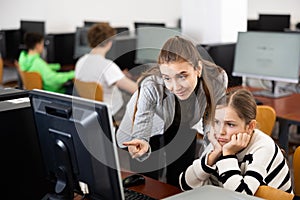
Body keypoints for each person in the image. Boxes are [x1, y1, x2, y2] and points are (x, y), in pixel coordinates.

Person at [116, 36, 228, 187]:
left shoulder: (217, 79)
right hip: (153, 125)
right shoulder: (152, 85)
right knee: (147, 183)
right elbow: (143, 120)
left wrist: (212, 145)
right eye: (167, 78)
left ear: (198, 69)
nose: (175, 87)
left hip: (184, 122)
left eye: (182, 76)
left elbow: (212, 117)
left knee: (181, 179)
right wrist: (141, 140)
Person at [179, 88, 292, 195]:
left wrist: (228, 155)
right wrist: (210, 159)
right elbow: (186, 185)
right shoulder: (220, 142)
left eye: (230, 124)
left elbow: (242, 196)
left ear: (250, 127)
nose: (221, 131)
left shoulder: (263, 148)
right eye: (216, 122)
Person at [75, 23, 138, 122]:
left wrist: (120, 75)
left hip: (91, 111)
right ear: (109, 43)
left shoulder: (81, 61)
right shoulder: (108, 66)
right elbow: (135, 89)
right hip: (113, 112)